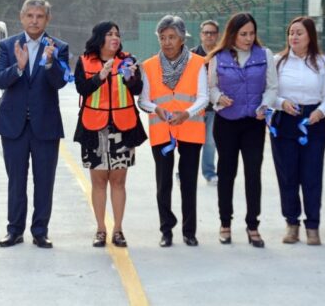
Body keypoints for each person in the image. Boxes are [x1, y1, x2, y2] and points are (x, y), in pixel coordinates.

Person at [0, 0, 69, 249]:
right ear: (21, 17)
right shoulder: (7, 45)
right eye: (30, 16)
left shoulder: (58, 47)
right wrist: (19, 67)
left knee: (44, 180)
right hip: (13, 126)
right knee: (16, 181)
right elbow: (0, 80)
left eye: (40, 16)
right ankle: (14, 230)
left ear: (48, 19)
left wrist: (49, 63)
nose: (34, 21)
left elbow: (60, 82)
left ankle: (40, 231)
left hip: (45, 126)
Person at [207, 12, 277, 248]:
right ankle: (225, 223)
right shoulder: (218, 57)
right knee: (226, 173)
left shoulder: (265, 55)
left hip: (253, 123)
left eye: (251, 33)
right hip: (226, 122)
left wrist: (264, 105)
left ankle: (252, 225)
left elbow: (272, 87)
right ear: (232, 34)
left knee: (253, 174)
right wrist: (219, 98)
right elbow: (210, 88)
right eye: (243, 34)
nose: (248, 38)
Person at [73, 21, 147, 248]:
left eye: (117, 33)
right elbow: (82, 89)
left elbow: (137, 90)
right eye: (109, 34)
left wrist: (130, 77)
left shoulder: (128, 60)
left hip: (122, 128)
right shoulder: (85, 61)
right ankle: (100, 229)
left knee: (118, 181)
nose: (115, 37)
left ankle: (118, 229)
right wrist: (100, 76)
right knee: (98, 181)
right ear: (99, 38)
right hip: (94, 128)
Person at [139, 15, 208, 248]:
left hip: (190, 128)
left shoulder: (198, 63)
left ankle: (189, 231)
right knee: (163, 183)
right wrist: (156, 109)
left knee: (189, 183)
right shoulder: (148, 65)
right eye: (162, 37)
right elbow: (144, 100)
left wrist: (187, 114)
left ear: (181, 39)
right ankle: (166, 230)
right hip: (162, 130)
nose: (167, 42)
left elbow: (203, 97)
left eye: (172, 37)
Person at [270, 17, 325, 245]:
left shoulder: (322, 62)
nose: (294, 37)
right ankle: (292, 223)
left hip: (313, 122)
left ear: (310, 37)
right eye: (291, 33)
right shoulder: (278, 61)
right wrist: (281, 103)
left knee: (311, 175)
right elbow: (269, 94)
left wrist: (321, 112)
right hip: (285, 120)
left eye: (299, 33)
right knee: (287, 175)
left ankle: (313, 225)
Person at [192, 20, 219, 186]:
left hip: (215, 108)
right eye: (206, 32)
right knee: (191, 142)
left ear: (217, 35)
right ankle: (183, 172)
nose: (209, 35)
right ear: (201, 35)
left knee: (210, 141)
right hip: (195, 108)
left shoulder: (223, 55)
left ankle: (209, 173)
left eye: (212, 32)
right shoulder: (191, 55)